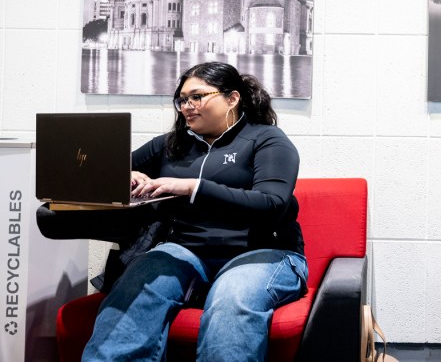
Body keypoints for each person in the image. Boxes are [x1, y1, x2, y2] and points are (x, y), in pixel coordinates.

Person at [82, 61, 307, 361]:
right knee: (135, 288)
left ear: (232, 98)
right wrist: (127, 175)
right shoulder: (171, 144)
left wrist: (191, 187)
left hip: (263, 251)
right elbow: (109, 170)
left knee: (233, 298)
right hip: (186, 251)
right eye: (182, 99)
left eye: (197, 97)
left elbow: (272, 203)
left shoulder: (266, 140)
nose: (187, 106)